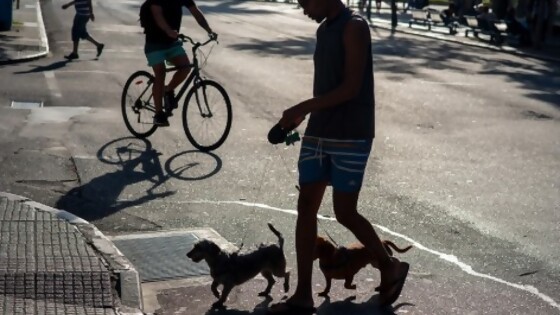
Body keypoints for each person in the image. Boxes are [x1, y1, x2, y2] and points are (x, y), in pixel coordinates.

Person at [267, 0, 410, 313]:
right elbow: (327, 86)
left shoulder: (354, 26)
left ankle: (389, 265)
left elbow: (350, 89)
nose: (303, 7)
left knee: (345, 212)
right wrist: (305, 116)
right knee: (306, 205)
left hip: (351, 133)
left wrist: (302, 107)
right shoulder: (323, 30)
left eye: (306, 0)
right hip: (319, 131)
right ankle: (303, 294)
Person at [140, 0, 216, 126]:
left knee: (185, 67)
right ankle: (158, 114)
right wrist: (168, 30)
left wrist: (209, 30)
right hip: (154, 43)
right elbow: (157, 14)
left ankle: (168, 90)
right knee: (160, 73)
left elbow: (196, 12)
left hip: (172, 44)